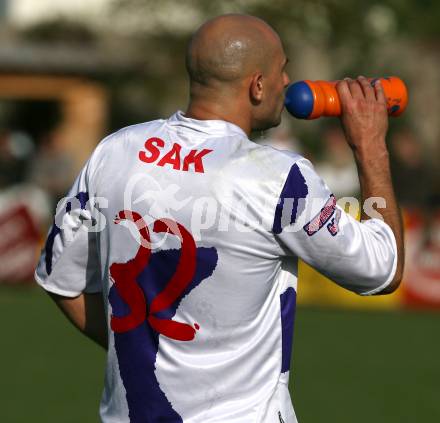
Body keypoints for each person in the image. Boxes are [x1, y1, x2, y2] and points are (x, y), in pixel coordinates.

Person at [35, 14, 404, 423]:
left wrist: (146, 356)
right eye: (282, 71)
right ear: (257, 85)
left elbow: (62, 281)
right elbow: (381, 270)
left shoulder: (114, 151)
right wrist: (370, 145)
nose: (288, 83)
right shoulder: (278, 178)